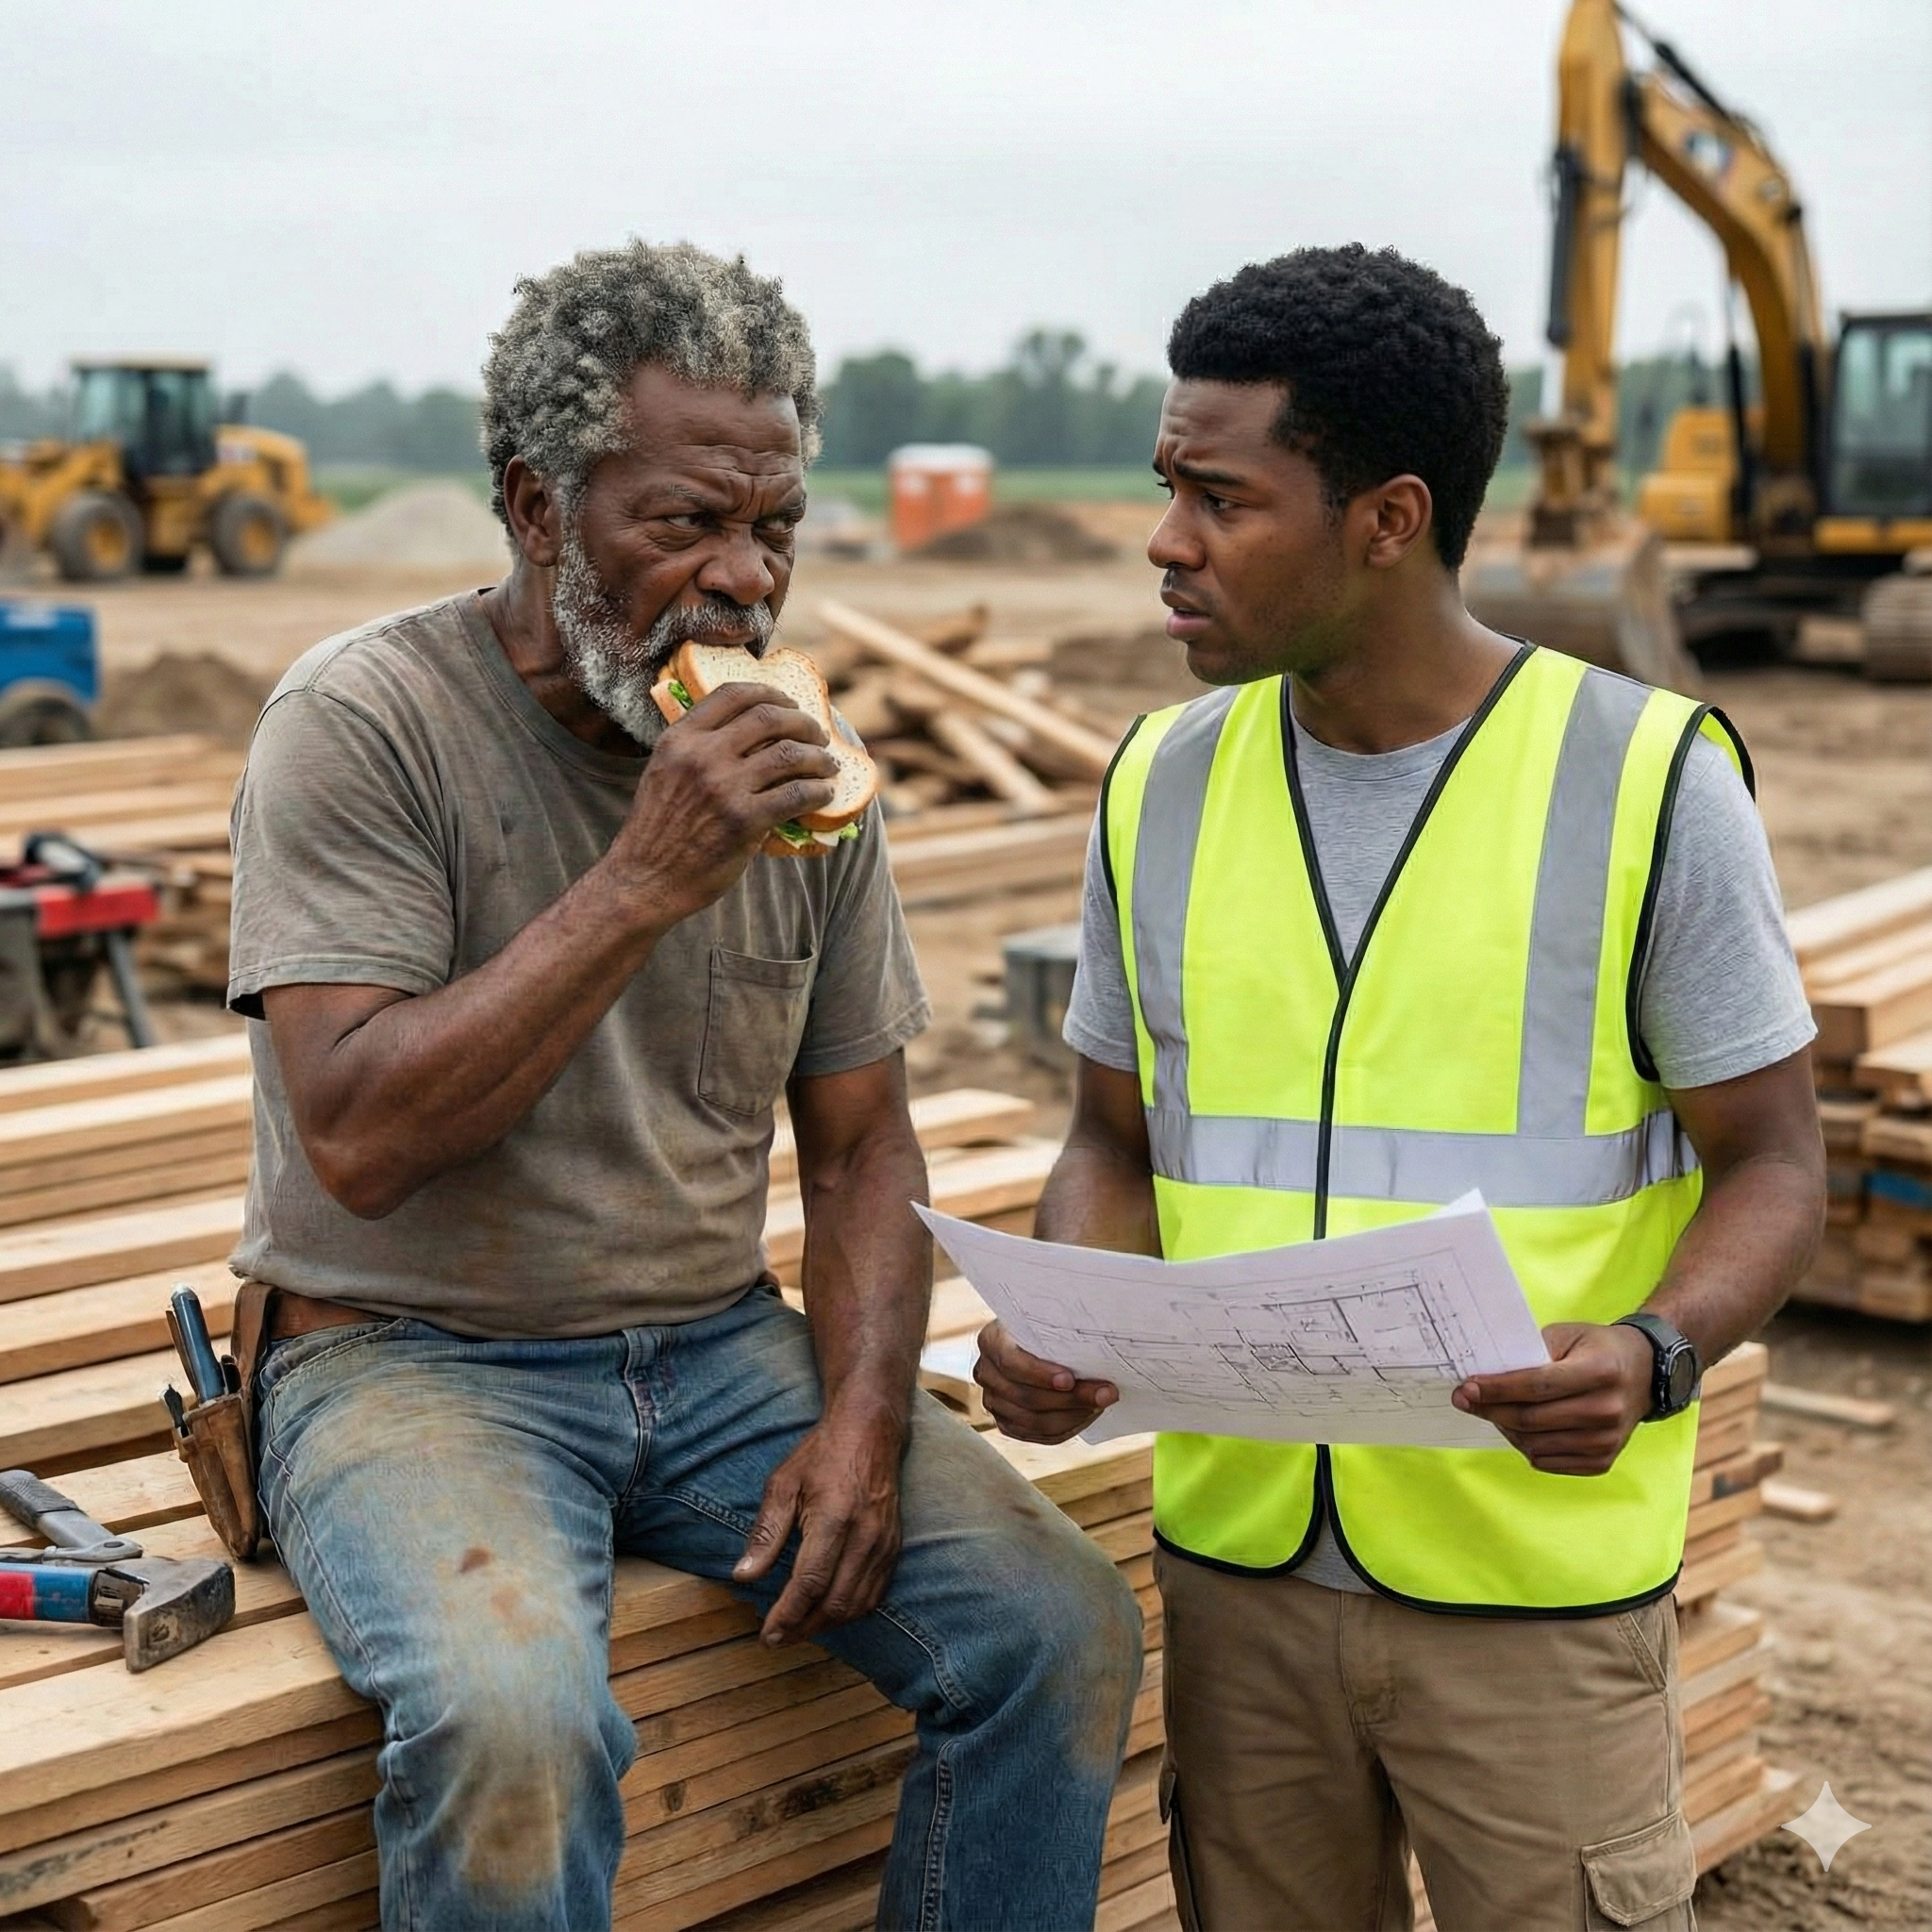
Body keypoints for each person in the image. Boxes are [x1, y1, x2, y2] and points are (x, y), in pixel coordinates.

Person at [226, 240, 1141, 1932]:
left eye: (774, 527)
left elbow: (865, 1147)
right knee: (516, 1722)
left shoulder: (802, 767)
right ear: (535, 507)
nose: (740, 582)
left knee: (1059, 1629)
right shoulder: (363, 725)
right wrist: (647, 876)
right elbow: (355, 1138)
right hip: (409, 1356)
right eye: (684, 527)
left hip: (718, 1346)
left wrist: (865, 1421)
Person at [974, 244, 1824, 1932]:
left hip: (1533, 1591)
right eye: (1167, 487)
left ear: (1389, 516)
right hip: (1241, 1575)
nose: (1166, 541)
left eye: (1221, 497)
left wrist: (1657, 1354)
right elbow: (1110, 1136)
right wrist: (1075, 1306)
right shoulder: (1157, 783)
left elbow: (1776, 1165)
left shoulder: (1642, 780)